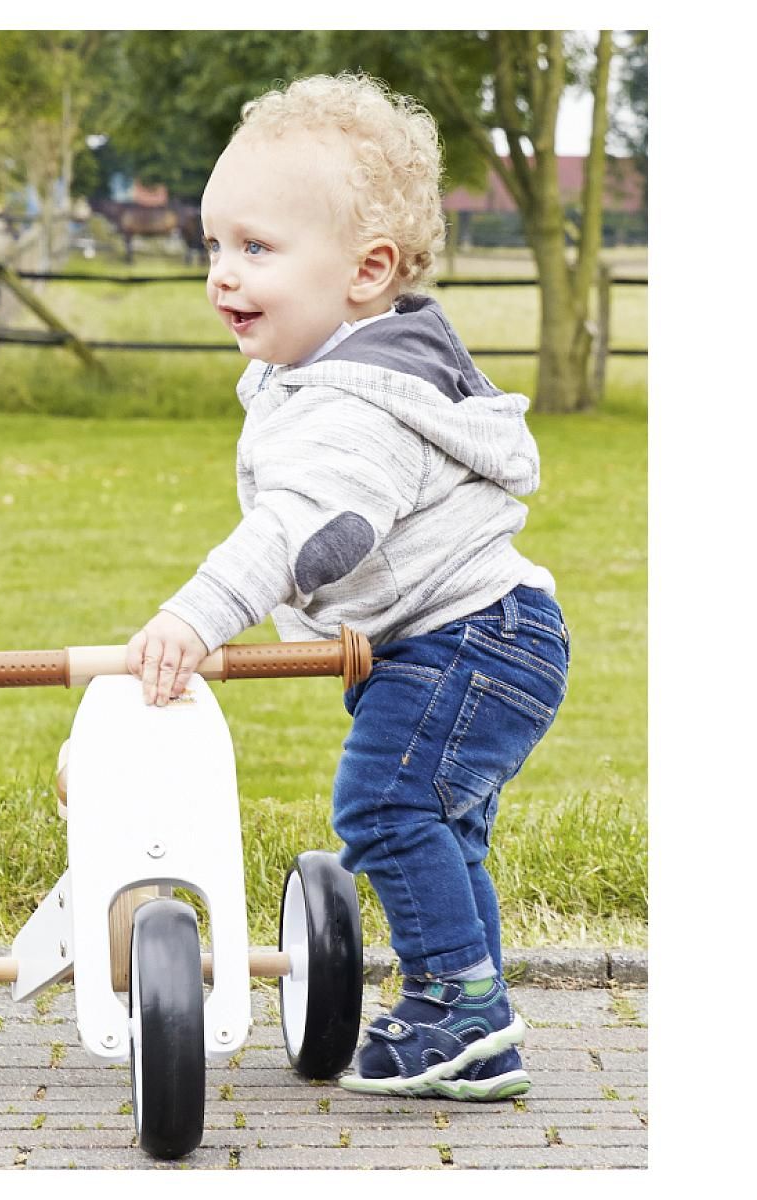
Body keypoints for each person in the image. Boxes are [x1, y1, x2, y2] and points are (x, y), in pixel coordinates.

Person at [124, 72, 569, 1101]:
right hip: (482, 638)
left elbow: (306, 530)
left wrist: (195, 615)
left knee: (384, 802)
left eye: (258, 248)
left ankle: (458, 1007)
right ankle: (473, 1029)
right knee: (439, 828)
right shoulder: (346, 369)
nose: (223, 274)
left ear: (367, 270)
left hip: (470, 640)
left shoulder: (357, 403)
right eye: (214, 246)